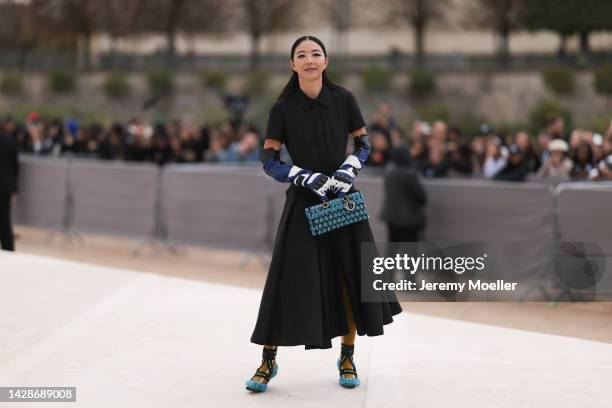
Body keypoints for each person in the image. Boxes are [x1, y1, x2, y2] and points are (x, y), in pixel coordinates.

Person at [247, 35, 403, 393]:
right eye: (301, 55)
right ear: (292, 64)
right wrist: (303, 175)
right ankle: (267, 359)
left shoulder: (343, 99)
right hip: (303, 202)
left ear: (326, 61)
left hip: (342, 199)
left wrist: (349, 168)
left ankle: (347, 355)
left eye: (316, 54)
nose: (309, 60)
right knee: (286, 279)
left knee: (350, 277)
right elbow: (269, 160)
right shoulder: (282, 108)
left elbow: (364, 144)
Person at [380, 144, 427, 242]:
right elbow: (421, 197)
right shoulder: (409, 174)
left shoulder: (389, 171)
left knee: (392, 250)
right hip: (408, 220)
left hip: (391, 217)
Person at [0, 130, 19, 251]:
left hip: (5, 187)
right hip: (6, 188)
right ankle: (9, 251)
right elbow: (16, 167)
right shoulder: (10, 141)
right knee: (5, 223)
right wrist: (14, 189)